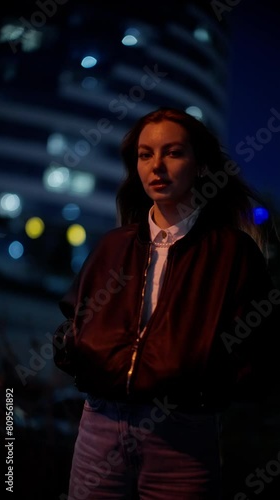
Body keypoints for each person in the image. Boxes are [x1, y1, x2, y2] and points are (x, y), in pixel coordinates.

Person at [53, 107, 280, 500]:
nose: (156, 165)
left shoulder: (231, 252)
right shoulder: (114, 245)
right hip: (100, 426)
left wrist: (204, 384)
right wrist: (79, 357)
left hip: (183, 436)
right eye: (145, 155)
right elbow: (71, 322)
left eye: (173, 152)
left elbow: (259, 347)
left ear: (202, 165)